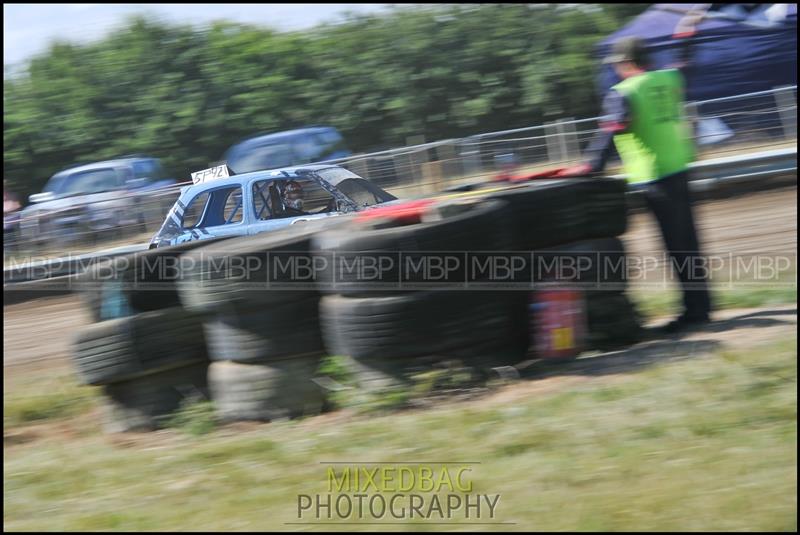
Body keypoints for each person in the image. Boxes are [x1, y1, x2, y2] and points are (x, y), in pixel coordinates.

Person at [560, 36, 712, 334]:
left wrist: (592, 165)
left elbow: (611, 131)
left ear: (626, 63)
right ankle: (700, 308)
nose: (616, 70)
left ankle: (694, 315)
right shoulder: (670, 78)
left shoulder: (623, 92)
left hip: (654, 176)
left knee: (676, 248)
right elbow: (687, 64)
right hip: (680, 170)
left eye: (617, 64)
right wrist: (685, 39)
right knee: (689, 245)